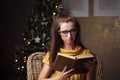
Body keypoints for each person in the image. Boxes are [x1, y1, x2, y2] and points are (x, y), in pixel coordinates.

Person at [38, 12, 98, 80]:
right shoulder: (52, 54)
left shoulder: (85, 53)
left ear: (77, 31)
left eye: (72, 31)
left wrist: (92, 70)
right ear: (58, 33)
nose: (69, 36)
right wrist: (59, 78)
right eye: (64, 32)